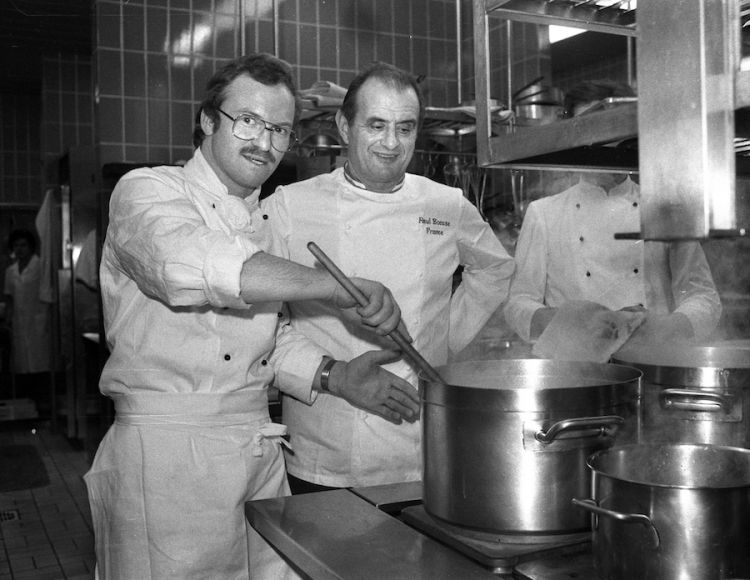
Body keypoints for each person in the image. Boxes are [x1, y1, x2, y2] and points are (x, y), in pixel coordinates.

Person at [84, 53, 420, 580]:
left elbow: (267, 339)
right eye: (248, 121)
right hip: (168, 461)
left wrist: (335, 375)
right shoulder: (147, 191)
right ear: (207, 120)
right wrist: (336, 288)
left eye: (279, 130)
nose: (263, 142)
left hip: (259, 454)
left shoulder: (259, 223)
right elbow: (184, 264)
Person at [260, 62, 515, 493]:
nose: (391, 143)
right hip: (327, 443)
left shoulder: (446, 204)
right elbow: (257, 322)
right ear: (345, 125)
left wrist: (447, 337)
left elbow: (495, 268)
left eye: (405, 127)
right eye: (376, 125)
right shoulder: (289, 205)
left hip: (421, 447)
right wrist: (325, 372)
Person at [504, 80, 722, 348]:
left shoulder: (665, 207)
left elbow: (703, 297)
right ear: (570, 138)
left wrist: (665, 327)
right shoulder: (544, 213)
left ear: (631, 136)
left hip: (652, 358)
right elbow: (518, 303)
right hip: (574, 367)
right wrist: (567, 321)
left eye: (612, 131)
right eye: (589, 132)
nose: (602, 146)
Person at [2, 228, 52, 412]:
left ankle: (44, 408)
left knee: (41, 366)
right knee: (23, 367)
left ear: (31, 247)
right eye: (16, 245)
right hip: (19, 323)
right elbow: (9, 299)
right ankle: (27, 408)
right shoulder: (10, 271)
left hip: (39, 322)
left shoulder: (40, 266)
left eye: (23, 245)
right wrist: (7, 322)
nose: (20, 249)